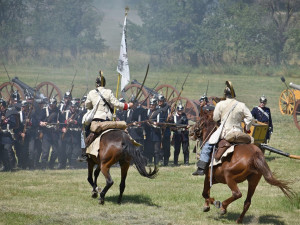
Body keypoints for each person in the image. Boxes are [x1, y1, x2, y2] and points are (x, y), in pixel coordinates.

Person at [192, 81, 253, 176]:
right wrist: (247, 127)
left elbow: (215, 118)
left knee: (207, 146)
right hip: (238, 132)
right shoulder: (242, 105)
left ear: (225, 95)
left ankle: (201, 169)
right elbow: (250, 118)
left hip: (225, 132)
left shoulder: (220, 104)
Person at [79, 71, 133, 159]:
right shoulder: (108, 92)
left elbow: (87, 105)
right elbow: (116, 104)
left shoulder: (91, 93)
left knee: (84, 132)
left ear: (96, 84)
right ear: (104, 83)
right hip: (107, 120)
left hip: (96, 121)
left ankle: (84, 152)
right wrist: (127, 106)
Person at [39, 96, 61, 169]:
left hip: (54, 133)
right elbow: (39, 120)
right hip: (46, 133)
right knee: (45, 152)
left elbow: (62, 120)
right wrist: (42, 123)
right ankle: (43, 166)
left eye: (53, 104)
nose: (52, 105)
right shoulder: (43, 111)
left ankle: (51, 165)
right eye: (51, 104)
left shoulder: (57, 111)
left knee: (56, 151)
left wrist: (59, 123)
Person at [0, 98, 17, 171]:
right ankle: (4, 166)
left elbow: (13, 123)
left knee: (8, 151)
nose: (1, 107)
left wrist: (6, 121)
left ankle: (11, 166)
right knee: (2, 152)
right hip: (1, 135)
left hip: (7, 135)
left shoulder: (9, 114)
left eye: (2, 105)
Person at [144, 97, 161, 165]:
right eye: (150, 105)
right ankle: (149, 161)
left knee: (156, 150)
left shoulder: (158, 112)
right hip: (149, 133)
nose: (151, 106)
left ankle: (156, 163)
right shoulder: (148, 111)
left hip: (156, 133)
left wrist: (153, 123)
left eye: (153, 105)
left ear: (155, 105)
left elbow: (159, 123)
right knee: (149, 148)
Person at [157, 94, 171, 166]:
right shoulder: (157, 108)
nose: (159, 102)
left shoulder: (167, 108)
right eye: (159, 101)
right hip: (158, 130)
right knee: (158, 146)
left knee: (166, 146)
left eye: (161, 101)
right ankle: (160, 159)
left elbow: (169, 118)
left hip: (166, 130)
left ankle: (166, 161)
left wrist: (166, 122)